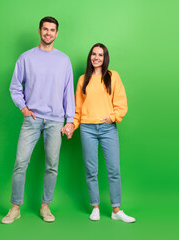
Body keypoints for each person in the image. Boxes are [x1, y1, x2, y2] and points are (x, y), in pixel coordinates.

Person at [1, 16, 75, 224]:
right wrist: (24, 108)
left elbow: (68, 93)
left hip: (56, 120)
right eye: (45, 29)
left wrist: (70, 120)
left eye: (52, 30)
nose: (48, 33)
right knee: (20, 162)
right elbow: (15, 87)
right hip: (32, 119)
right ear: (39, 31)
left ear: (57, 33)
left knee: (52, 165)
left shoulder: (64, 60)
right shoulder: (26, 58)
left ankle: (45, 206)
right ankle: (15, 208)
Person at [63, 43, 135, 223]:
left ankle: (116, 210)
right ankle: (95, 207)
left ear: (105, 58)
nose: (96, 58)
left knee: (113, 170)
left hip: (107, 128)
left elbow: (121, 103)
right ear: (90, 57)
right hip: (87, 128)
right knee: (91, 170)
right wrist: (72, 125)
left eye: (100, 55)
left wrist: (113, 117)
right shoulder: (82, 80)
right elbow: (77, 109)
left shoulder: (113, 76)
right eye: (94, 54)